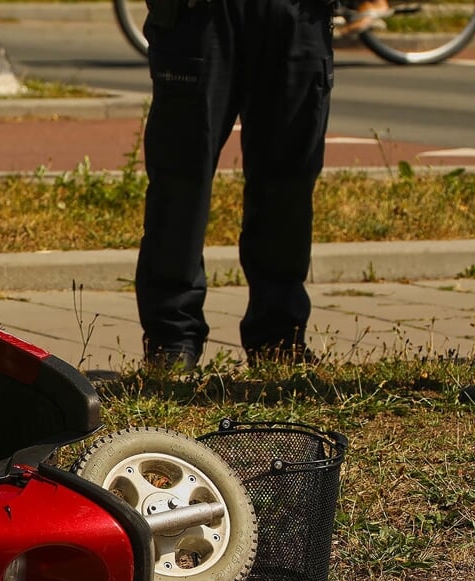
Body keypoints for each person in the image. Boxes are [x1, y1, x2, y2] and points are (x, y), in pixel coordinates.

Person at [134, 0, 335, 370]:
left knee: (288, 184)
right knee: (181, 182)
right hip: (199, 14)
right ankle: (171, 342)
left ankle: (279, 339)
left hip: (297, 14)